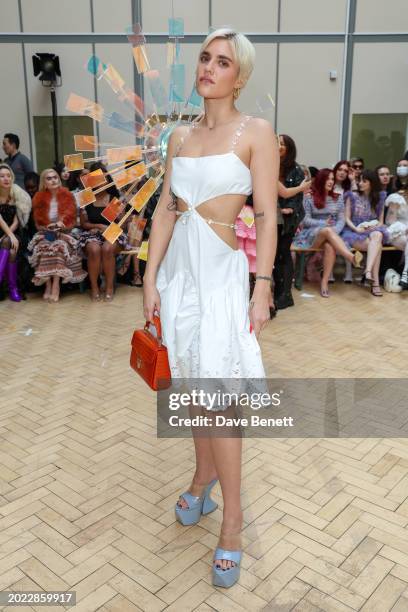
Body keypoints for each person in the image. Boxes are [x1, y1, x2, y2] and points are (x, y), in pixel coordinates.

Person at [143, 28, 278, 588]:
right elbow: (166, 212)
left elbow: (267, 215)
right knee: (194, 389)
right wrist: (150, 279)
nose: (209, 67)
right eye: (205, 57)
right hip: (180, 281)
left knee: (221, 401)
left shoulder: (257, 132)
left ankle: (233, 522)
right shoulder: (179, 137)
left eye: (222, 61)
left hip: (223, 281)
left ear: (239, 76)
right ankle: (202, 479)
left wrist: (263, 283)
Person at [293, 168, 362, 297]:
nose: (331, 181)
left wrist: (332, 232)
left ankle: (324, 282)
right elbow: (305, 220)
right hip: (311, 235)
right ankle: (351, 257)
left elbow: (341, 220)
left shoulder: (338, 198)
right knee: (326, 231)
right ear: (320, 180)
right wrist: (324, 225)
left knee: (330, 247)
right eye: (327, 179)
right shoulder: (309, 197)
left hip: (331, 234)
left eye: (332, 179)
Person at [28, 168, 86, 302]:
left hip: (65, 233)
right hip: (45, 233)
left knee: (58, 247)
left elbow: (71, 222)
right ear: (44, 182)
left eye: (55, 177)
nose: (53, 180)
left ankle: (55, 285)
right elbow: (38, 224)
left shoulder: (67, 195)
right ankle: (47, 284)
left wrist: (61, 225)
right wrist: (47, 227)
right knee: (43, 246)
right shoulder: (38, 198)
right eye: (49, 178)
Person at [79, 162, 126, 301]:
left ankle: (109, 287)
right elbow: (83, 224)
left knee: (107, 248)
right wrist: (99, 226)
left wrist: (116, 219)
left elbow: (121, 224)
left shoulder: (113, 199)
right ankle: (95, 288)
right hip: (93, 232)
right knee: (94, 249)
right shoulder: (86, 198)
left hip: (113, 232)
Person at [274, 134, 310, 309]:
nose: (278, 146)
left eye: (282, 144)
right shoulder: (268, 164)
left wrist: (290, 209)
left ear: (289, 149)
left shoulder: (295, 169)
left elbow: (297, 197)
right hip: (271, 216)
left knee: (283, 254)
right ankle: (277, 292)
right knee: (272, 255)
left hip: (288, 220)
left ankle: (285, 295)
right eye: (276, 143)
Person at [341, 169, 389, 296]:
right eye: (359, 180)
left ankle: (367, 271)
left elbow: (380, 221)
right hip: (353, 231)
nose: (360, 183)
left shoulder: (380, 197)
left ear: (371, 183)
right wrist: (357, 229)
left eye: (364, 181)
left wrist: (373, 228)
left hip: (372, 231)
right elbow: (346, 218)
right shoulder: (352, 196)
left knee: (378, 235)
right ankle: (375, 283)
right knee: (377, 246)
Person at [0, 163, 31, 301]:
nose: (6, 179)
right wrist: (7, 236)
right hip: (2, 232)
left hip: (13, 233)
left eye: (8, 176)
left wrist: (9, 235)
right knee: (11, 251)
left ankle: (12, 288)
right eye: (2, 176)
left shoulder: (17, 194)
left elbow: (17, 221)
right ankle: (12, 288)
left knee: (9, 244)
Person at [385, 160, 408, 288]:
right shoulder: (395, 196)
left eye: (405, 166)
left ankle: (405, 274)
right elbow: (390, 221)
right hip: (396, 231)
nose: (402, 168)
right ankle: (406, 274)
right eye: (399, 165)